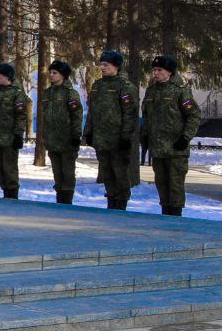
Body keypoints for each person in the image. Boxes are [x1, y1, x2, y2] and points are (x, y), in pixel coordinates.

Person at [141, 55, 201, 216]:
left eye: (159, 70)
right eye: (154, 70)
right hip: (158, 149)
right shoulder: (151, 91)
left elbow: (194, 115)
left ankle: (175, 218)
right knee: (161, 185)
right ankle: (165, 216)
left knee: (175, 186)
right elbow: (147, 116)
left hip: (176, 149)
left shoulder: (180, 91)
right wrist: (145, 137)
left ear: (169, 72)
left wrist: (185, 138)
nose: (156, 73)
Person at [83, 49, 138, 210]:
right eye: (101, 64)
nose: (102, 67)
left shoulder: (125, 86)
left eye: (106, 65)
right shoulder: (97, 86)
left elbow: (130, 114)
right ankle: (111, 202)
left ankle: (121, 205)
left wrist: (126, 137)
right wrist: (89, 132)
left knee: (120, 174)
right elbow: (92, 112)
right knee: (107, 174)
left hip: (118, 140)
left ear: (116, 67)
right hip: (102, 139)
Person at [0, 63, 30, 199]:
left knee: (10, 169)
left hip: (10, 138)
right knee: (0, 169)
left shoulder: (17, 93)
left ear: (7, 76)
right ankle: (6, 194)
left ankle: (12, 196)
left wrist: (18, 135)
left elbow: (21, 116)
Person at [41, 60, 83, 204]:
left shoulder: (70, 94)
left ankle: (67, 201)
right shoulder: (47, 94)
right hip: (53, 141)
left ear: (63, 75)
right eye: (50, 73)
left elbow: (77, 116)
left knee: (67, 173)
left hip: (67, 141)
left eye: (55, 73)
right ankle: (60, 199)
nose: (51, 75)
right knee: (57, 174)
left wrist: (76, 136)